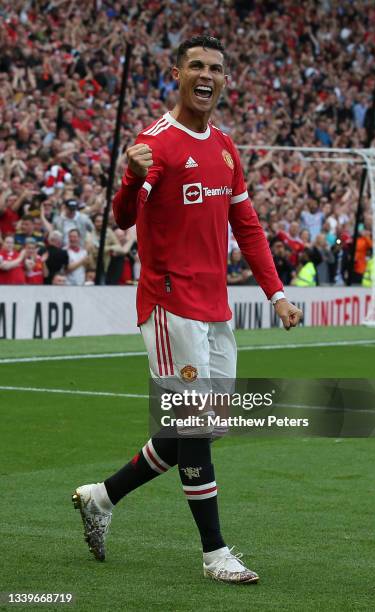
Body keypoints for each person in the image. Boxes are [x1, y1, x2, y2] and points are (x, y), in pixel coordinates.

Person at [72, 35, 302, 585]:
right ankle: (214, 553)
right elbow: (124, 218)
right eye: (195, 65)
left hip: (214, 307)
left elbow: (246, 226)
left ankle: (101, 497)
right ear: (176, 72)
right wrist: (131, 175)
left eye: (215, 68)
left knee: (201, 427)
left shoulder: (225, 146)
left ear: (226, 79)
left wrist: (276, 294)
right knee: (195, 425)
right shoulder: (155, 143)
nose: (205, 75)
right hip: (168, 305)